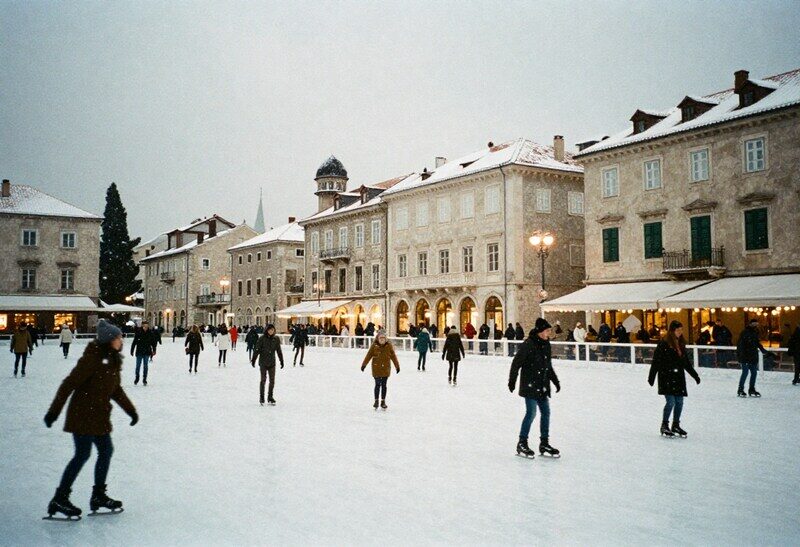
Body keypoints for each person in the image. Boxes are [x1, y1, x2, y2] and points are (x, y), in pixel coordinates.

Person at [43, 320, 138, 519]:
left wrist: (131, 411)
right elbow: (68, 384)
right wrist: (54, 411)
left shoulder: (112, 360)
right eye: (119, 337)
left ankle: (98, 496)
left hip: (100, 416)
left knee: (105, 451)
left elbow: (116, 391)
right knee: (82, 454)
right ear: (110, 340)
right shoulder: (92, 359)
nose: (122, 340)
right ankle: (60, 498)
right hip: (83, 415)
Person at [508, 318, 561, 458]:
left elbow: (548, 365)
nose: (549, 333)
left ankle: (544, 443)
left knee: (546, 412)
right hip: (530, 384)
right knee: (531, 413)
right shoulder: (529, 344)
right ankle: (522, 442)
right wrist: (512, 381)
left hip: (542, 384)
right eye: (547, 331)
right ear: (540, 331)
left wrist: (555, 381)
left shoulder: (546, 344)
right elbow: (516, 362)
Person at [648, 320, 701, 438]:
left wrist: (695, 375)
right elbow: (656, 360)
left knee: (679, 402)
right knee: (671, 401)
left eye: (681, 330)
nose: (680, 332)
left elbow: (686, 362)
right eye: (678, 330)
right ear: (672, 331)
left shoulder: (681, 344)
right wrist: (651, 377)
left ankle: (675, 424)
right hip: (666, 376)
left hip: (678, 377)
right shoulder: (664, 344)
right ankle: (664, 425)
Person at [360, 329, 400, 410]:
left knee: (384, 385)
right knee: (378, 384)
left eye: (383, 338)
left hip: (385, 368)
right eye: (380, 338)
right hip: (376, 368)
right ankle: (376, 401)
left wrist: (397, 366)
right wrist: (364, 365)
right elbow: (369, 355)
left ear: (386, 339)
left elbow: (393, 356)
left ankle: (383, 401)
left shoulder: (389, 346)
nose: (382, 340)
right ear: (378, 339)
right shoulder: (374, 346)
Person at [736, 319, 774, 397]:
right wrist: (741, 357)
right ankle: (740, 389)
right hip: (745, 357)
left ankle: (751, 389)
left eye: (756, 324)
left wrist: (765, 351)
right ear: (750, 324)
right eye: (753, 323)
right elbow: (740, 346)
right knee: (745, 373)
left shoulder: (755, 332)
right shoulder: (745, 332)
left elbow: (757, 344)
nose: (755, 325)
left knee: (754, 373)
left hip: (753, 356)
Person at [251, 324, 284, 405]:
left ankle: (270, 397)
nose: (271, 331)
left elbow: (279, 351)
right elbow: (257, 349)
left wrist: (281, 360)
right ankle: (262, 397)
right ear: (267, 330)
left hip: (272, 363)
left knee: (272, 381)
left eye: (272, 330)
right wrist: (253, 359)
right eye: (269, 330)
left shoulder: (276, 339)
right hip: (263, 362)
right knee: (263, 380)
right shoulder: (262, 338)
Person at [129, 321, 158, 385]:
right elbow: (134, 342)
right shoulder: (138, 333)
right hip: (139, 352)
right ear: (142, 326)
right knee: (138, 366)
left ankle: (144, 379)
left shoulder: (150, 333)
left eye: (147, 326)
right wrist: (132, 350)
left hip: (147, 352)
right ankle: (137, 378)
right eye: (144, 326)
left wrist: (154, 350)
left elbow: (153, 343)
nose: (146, 327)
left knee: (145, 366)